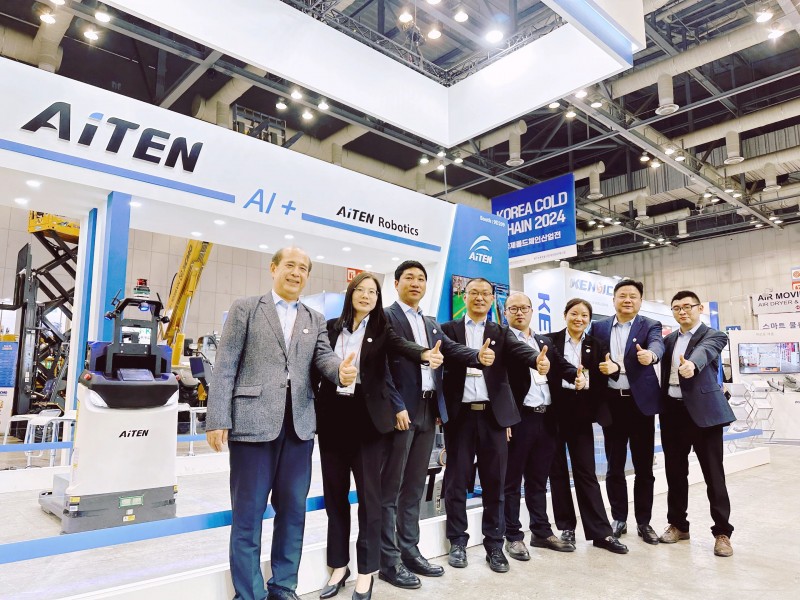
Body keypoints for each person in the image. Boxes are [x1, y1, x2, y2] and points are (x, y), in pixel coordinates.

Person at [205, 247, 358, 600]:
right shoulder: (246, 308)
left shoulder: (314, 318)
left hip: (299, 426)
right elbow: (225, 365)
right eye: (290, 265)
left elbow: (323, 358)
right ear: (273, 268)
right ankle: (249, 593)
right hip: (252, 424)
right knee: (248, 514)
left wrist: (341, 371)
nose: (296, 273)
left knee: (293, 512)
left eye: (303, 268)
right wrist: (217, 418)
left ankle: (284, 586)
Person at [317, 272, 443, 600]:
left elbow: (403, 347)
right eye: (361, 290)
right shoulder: (330, 328)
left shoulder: (381, 330)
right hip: (332, 420)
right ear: (350, 293)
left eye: (373, 292)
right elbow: (317, 364)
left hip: (368, 422)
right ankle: (338, 566)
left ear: (378, 299)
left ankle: (367, 572)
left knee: (370, 500)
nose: (366, 296)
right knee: (335, 498)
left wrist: (425, 354)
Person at [380, 261, 484, 590]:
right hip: (401, 413)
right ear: (396, 283)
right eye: (409, 278)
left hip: (427, 410)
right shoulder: (385, 317)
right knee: (391, 488)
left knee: (413, 486)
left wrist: (478, 357)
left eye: (421, 279)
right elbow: (382, 367)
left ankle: (409, 550)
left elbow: (450, 350)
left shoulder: (429, 322)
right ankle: (388, 560)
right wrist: (396, 405)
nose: (416, 283)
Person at [441, 277, 550, 574]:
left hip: (493, 418)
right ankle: (457, 542)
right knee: (456, 482)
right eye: (474, 293)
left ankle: (494, 546)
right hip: (460, 417)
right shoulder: (448, 329)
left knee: (495, 484)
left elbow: (521, 350)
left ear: (492, 300)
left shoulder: (501, 332)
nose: (480, 298)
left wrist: (537, 361)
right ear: (464, 296)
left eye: (485, 294)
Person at [502, 293, 583, 561]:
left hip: (546, 419)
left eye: (524, 308)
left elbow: (561, 366)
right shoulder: (503, 340)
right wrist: (505, 418)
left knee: (538, 480)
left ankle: (541, 531)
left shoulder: (543, 341)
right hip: (519, 419)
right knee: (512, 481)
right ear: (505, 312)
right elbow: (499, 382)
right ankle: (513, 536)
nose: (519, 312)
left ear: (532, 311)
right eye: (513, 308)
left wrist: (578, 375)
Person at [548, 298, 629, 554]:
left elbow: (605, 377)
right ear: (565, 315)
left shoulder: (597, 344)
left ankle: (600, 532)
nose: (579, 319)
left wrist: (609, 370)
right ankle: (566, 527)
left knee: (586, 473)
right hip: (553, 414)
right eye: (574, 313)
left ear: (589, 320)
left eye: (584, 315)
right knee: (557, 473)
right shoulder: (549, 341)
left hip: (581, 415)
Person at [658, 291, 735, 557]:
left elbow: (705, 352)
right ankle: (678, 525)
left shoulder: (714, 335)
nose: (682, 312)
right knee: (675, 473)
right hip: (672, 413)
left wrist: (691, 364)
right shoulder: (668, 341)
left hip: (704, 415)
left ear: (699, 308)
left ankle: (722, 533)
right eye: (676, 308)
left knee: (714, 475)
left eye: (687, 306)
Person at [591, 279, 664, 545]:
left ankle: (644, 522)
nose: (627, 300)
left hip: (640, 404)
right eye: (622, 295)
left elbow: (658, 345)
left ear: (640, 301)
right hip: (612, 404)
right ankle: (618, 518)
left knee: (644, 466)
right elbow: (593, 358)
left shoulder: (650, 325)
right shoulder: (598, 327)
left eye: (633, 296)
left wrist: (651, 356)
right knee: (614, 466)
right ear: (613, 300)